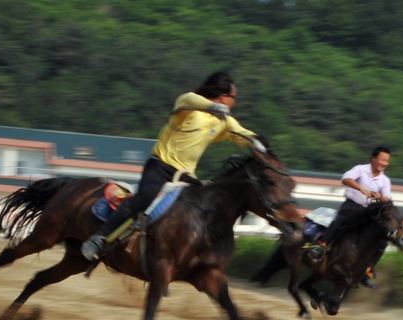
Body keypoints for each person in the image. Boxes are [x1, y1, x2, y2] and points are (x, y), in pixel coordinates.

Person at [81, 71, 266, 260]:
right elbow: (186, 98)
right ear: (225, 97)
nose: (234, 102)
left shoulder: (224, 121)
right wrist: (211, 106)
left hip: (186, 175)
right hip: (160, 167)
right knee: (145, 198)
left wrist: (256, 141)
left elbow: (241, 133)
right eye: (234, 97)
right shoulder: (189, 107)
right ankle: (99, 238)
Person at [321, 146, 393, 287]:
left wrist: (379, 196)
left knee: (382, 240)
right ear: (374, 158)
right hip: (352, 206)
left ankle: (367, 270)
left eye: (387, 161)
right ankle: (321, 246)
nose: (384, 163)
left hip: (367, 212)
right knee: (340, 221)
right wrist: (361, 188)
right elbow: (345, 179)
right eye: (382, 159)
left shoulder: (385, 180)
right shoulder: (360, 169)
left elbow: (387, 198)